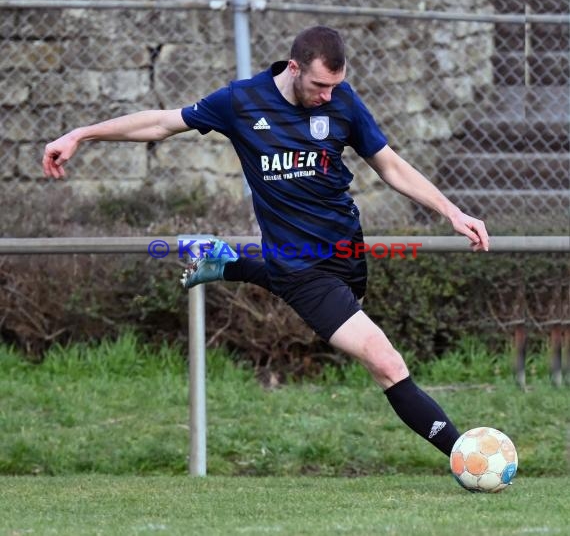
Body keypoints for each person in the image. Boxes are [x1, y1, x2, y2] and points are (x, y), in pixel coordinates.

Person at [43, 25, 489, 459]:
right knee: (386, 362)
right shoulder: (241, 101)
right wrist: (80, 133)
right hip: (302, 269)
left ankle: (227, 263)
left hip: (346, 252)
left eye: (336, 85)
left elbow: (389, 166)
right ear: (294, 68)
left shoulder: (341, 102)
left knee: (320, 298)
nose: (327, 96)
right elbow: (161, 123)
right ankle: (466, 457)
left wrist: (451, 211)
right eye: (319, 85)